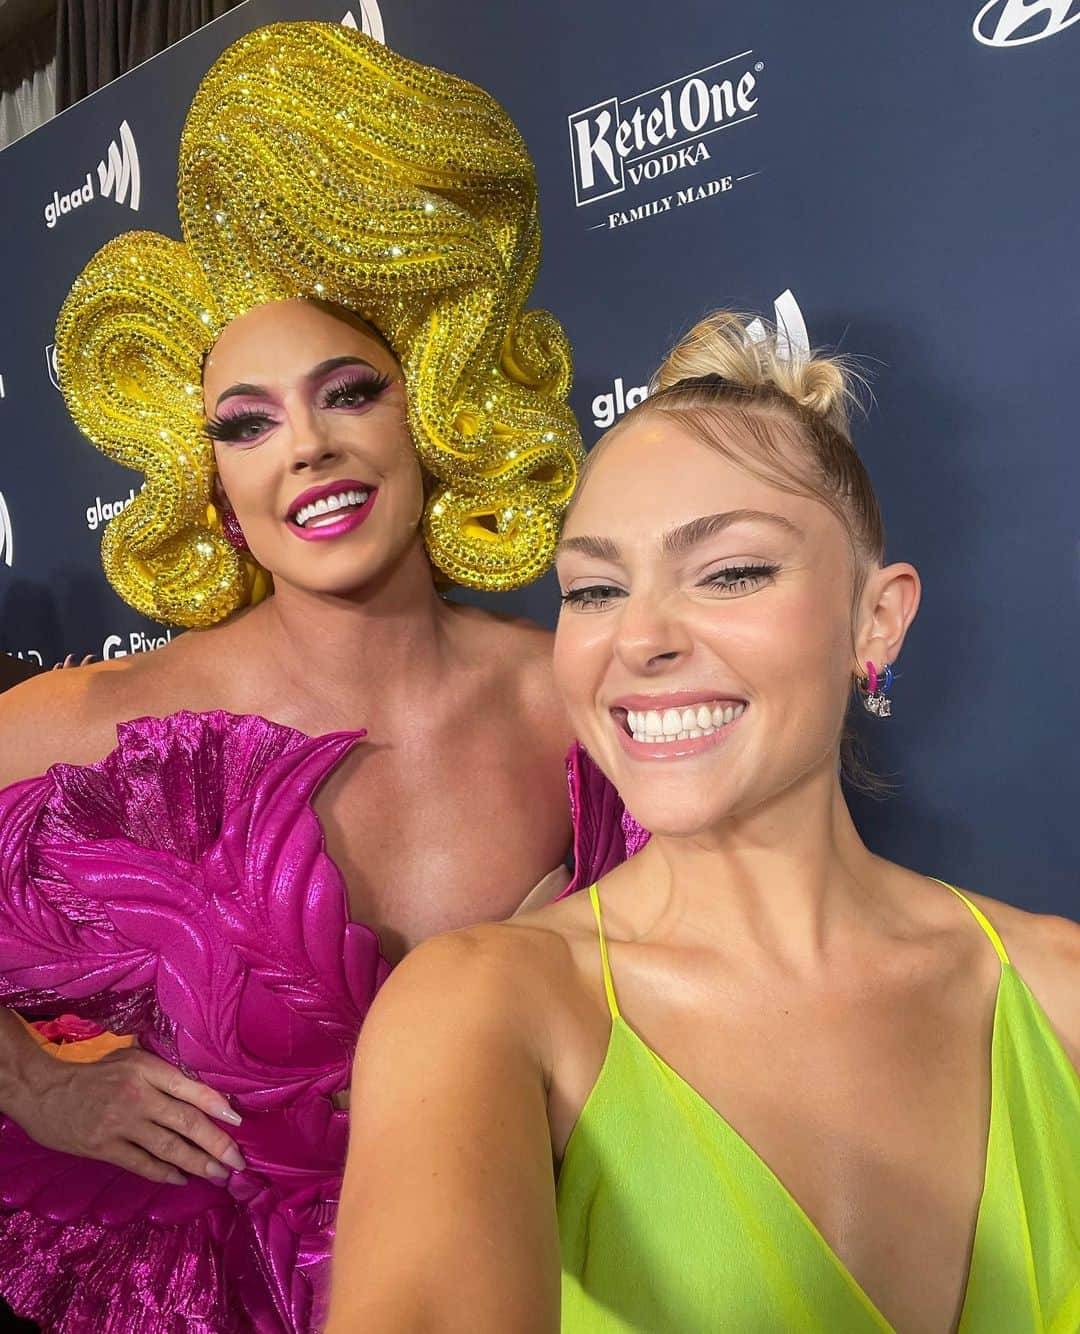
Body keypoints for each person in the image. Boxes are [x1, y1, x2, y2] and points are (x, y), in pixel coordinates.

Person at [0, 21, 594, 1332]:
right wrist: (38, 1084)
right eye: (247, 422)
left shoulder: (576, 693)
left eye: (350, 392)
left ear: (431, 413)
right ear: (212, 487)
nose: (307, 449)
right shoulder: (123, 719)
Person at [328, 311, 1080, 1333]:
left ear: (878, 618)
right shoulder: (482, 1013)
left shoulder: (1059, 990)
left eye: (731, 572)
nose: (637, 639)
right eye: (594, 589)